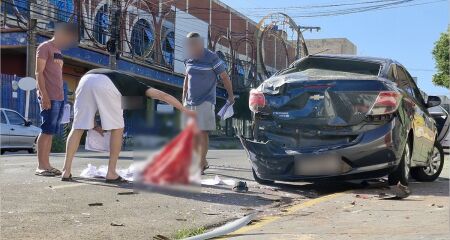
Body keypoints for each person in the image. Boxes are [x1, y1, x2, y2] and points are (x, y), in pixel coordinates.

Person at [61, 68, 196, 183]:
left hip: (86, 79)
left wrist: (94, 124)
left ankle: (66, 171)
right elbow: (163, 95)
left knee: (77, 127)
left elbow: (94, 105)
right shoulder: (140, 88)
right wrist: (184, 110)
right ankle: (111, 173)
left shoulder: (124, 83)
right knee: (118, 128)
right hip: (106, 83)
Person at [182, 32, 235, 174]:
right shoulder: (188, 58)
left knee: (202, 132)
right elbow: (187, 78)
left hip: (206, 100)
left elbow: (224, 77)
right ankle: (203, 161)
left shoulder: (211, 58)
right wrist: (183, 98)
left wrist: (231, 96)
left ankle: (200, 165)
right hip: (190, 101)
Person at [35, 22, 78, 177]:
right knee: (46, 130)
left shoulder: (58, 50)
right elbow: (39, 73)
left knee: (51, 132)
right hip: (49, 96)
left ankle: (47, 165)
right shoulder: (44, 47)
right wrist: (44, 95)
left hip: (59, 97)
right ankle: (41, 166)